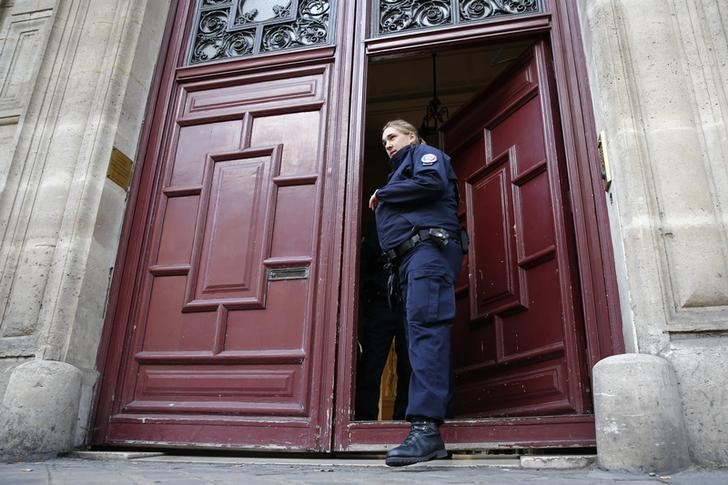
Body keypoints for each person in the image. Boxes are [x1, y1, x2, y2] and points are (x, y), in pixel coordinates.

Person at [368, 119, 464, 467]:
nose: (388, 144)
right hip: (411, 262)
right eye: (384, 141)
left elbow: (431, 182)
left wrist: (383, 193)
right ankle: (430, 427)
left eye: (392, 136)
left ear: (412, 136)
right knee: (420, 338)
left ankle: (425, 430)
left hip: (427, 254)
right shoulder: (399, 171)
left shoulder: (425, 154)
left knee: (425, 333)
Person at [355, 224, 410, 421]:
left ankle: (404, 419)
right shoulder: (377, 228)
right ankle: (363, 418)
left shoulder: (413, 222)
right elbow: (363, 264)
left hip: (408, 303)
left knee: (409, 365)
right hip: (380, 303)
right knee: (371, 364)